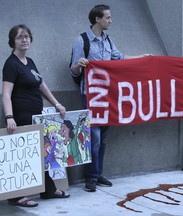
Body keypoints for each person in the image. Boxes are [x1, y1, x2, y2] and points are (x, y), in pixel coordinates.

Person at [70, 4, 150, 192]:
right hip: (90, 96)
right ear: (97, 19)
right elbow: (72, 70)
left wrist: (142, 58)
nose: (110, 21)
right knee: (94, 137)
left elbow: (119, 58)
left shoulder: (107, 40)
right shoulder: (82, 41)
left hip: (107, 97)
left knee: (103, 137)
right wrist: (79, 65)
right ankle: (90, 177)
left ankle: (97, 174)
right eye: (108, 17)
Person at [2, 24, 70, 207]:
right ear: (13, 41)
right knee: (23, 155)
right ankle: (16, 197)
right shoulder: (11, 64)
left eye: (27, 37)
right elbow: (6, 93)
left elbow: (41, 85)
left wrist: (57, 104)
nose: (24, 40)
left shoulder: (29, 62)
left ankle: (47, 190)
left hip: (36, 116)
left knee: (41, 153)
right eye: (20, 37)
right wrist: (9, 117)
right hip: (21, 116)